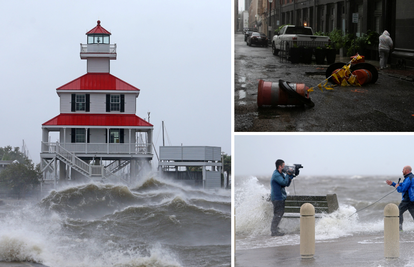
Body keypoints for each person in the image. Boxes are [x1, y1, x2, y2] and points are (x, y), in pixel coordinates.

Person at [270, 159, 294, 236]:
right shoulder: (276, 174)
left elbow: (286, 184)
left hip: (280, 197)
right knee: (278, 214)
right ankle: (274, 231)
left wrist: (290, 175)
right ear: (280, 166)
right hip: (277, 198)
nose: (285, 168)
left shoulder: (280, 174)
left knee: (280, 213)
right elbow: (283, 182)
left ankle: (275, 229)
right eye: (284, 166)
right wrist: (288, 174)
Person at [386, 165, 414, 231]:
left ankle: (399, 229)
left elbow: (402, 189)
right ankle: (400, 229)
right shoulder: (410, 177)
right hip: (412, 200)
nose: (402, 171)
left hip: (407, 200)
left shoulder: (409, 178)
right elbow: (402, 185)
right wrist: (393, 183)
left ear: (407, 170)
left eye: (403, 169)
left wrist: (396, 187)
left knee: (397, 213)